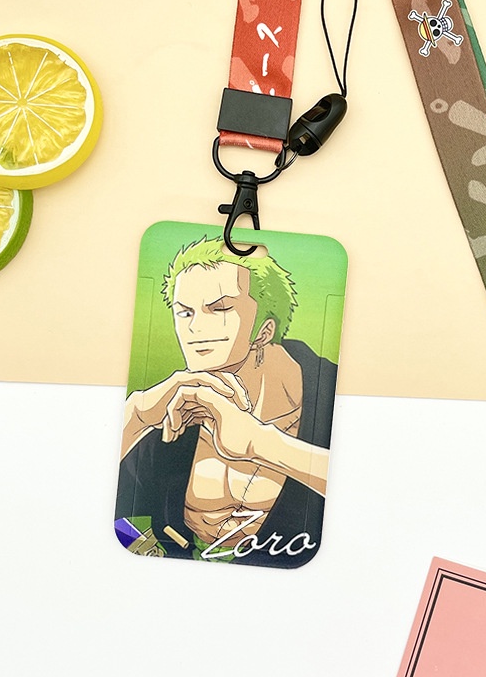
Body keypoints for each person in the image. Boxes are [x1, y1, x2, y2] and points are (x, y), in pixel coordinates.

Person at [115, 236, 338, 567]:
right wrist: (135, 414)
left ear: (264, 330)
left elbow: (375, 492)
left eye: (219, 309)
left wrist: (262, 443)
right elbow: (112, 512)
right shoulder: (176, 405)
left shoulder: (329, 389)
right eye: (184, 312)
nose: (195, 328)